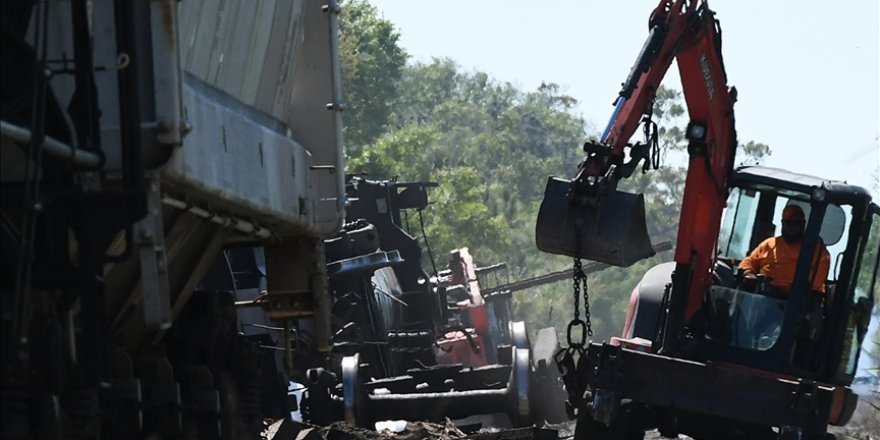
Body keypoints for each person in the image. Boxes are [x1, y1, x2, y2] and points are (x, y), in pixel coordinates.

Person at [739, 205, 831, 295]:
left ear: (803, 224)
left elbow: (815, 286)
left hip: (798, 303)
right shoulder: (769, 244)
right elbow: (748, 262)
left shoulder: (818, 251)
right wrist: (748, 273)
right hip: (763, 298)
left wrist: (783, 291)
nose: (792, 227)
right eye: (789, 222)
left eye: (797, 223)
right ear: (782, 223)